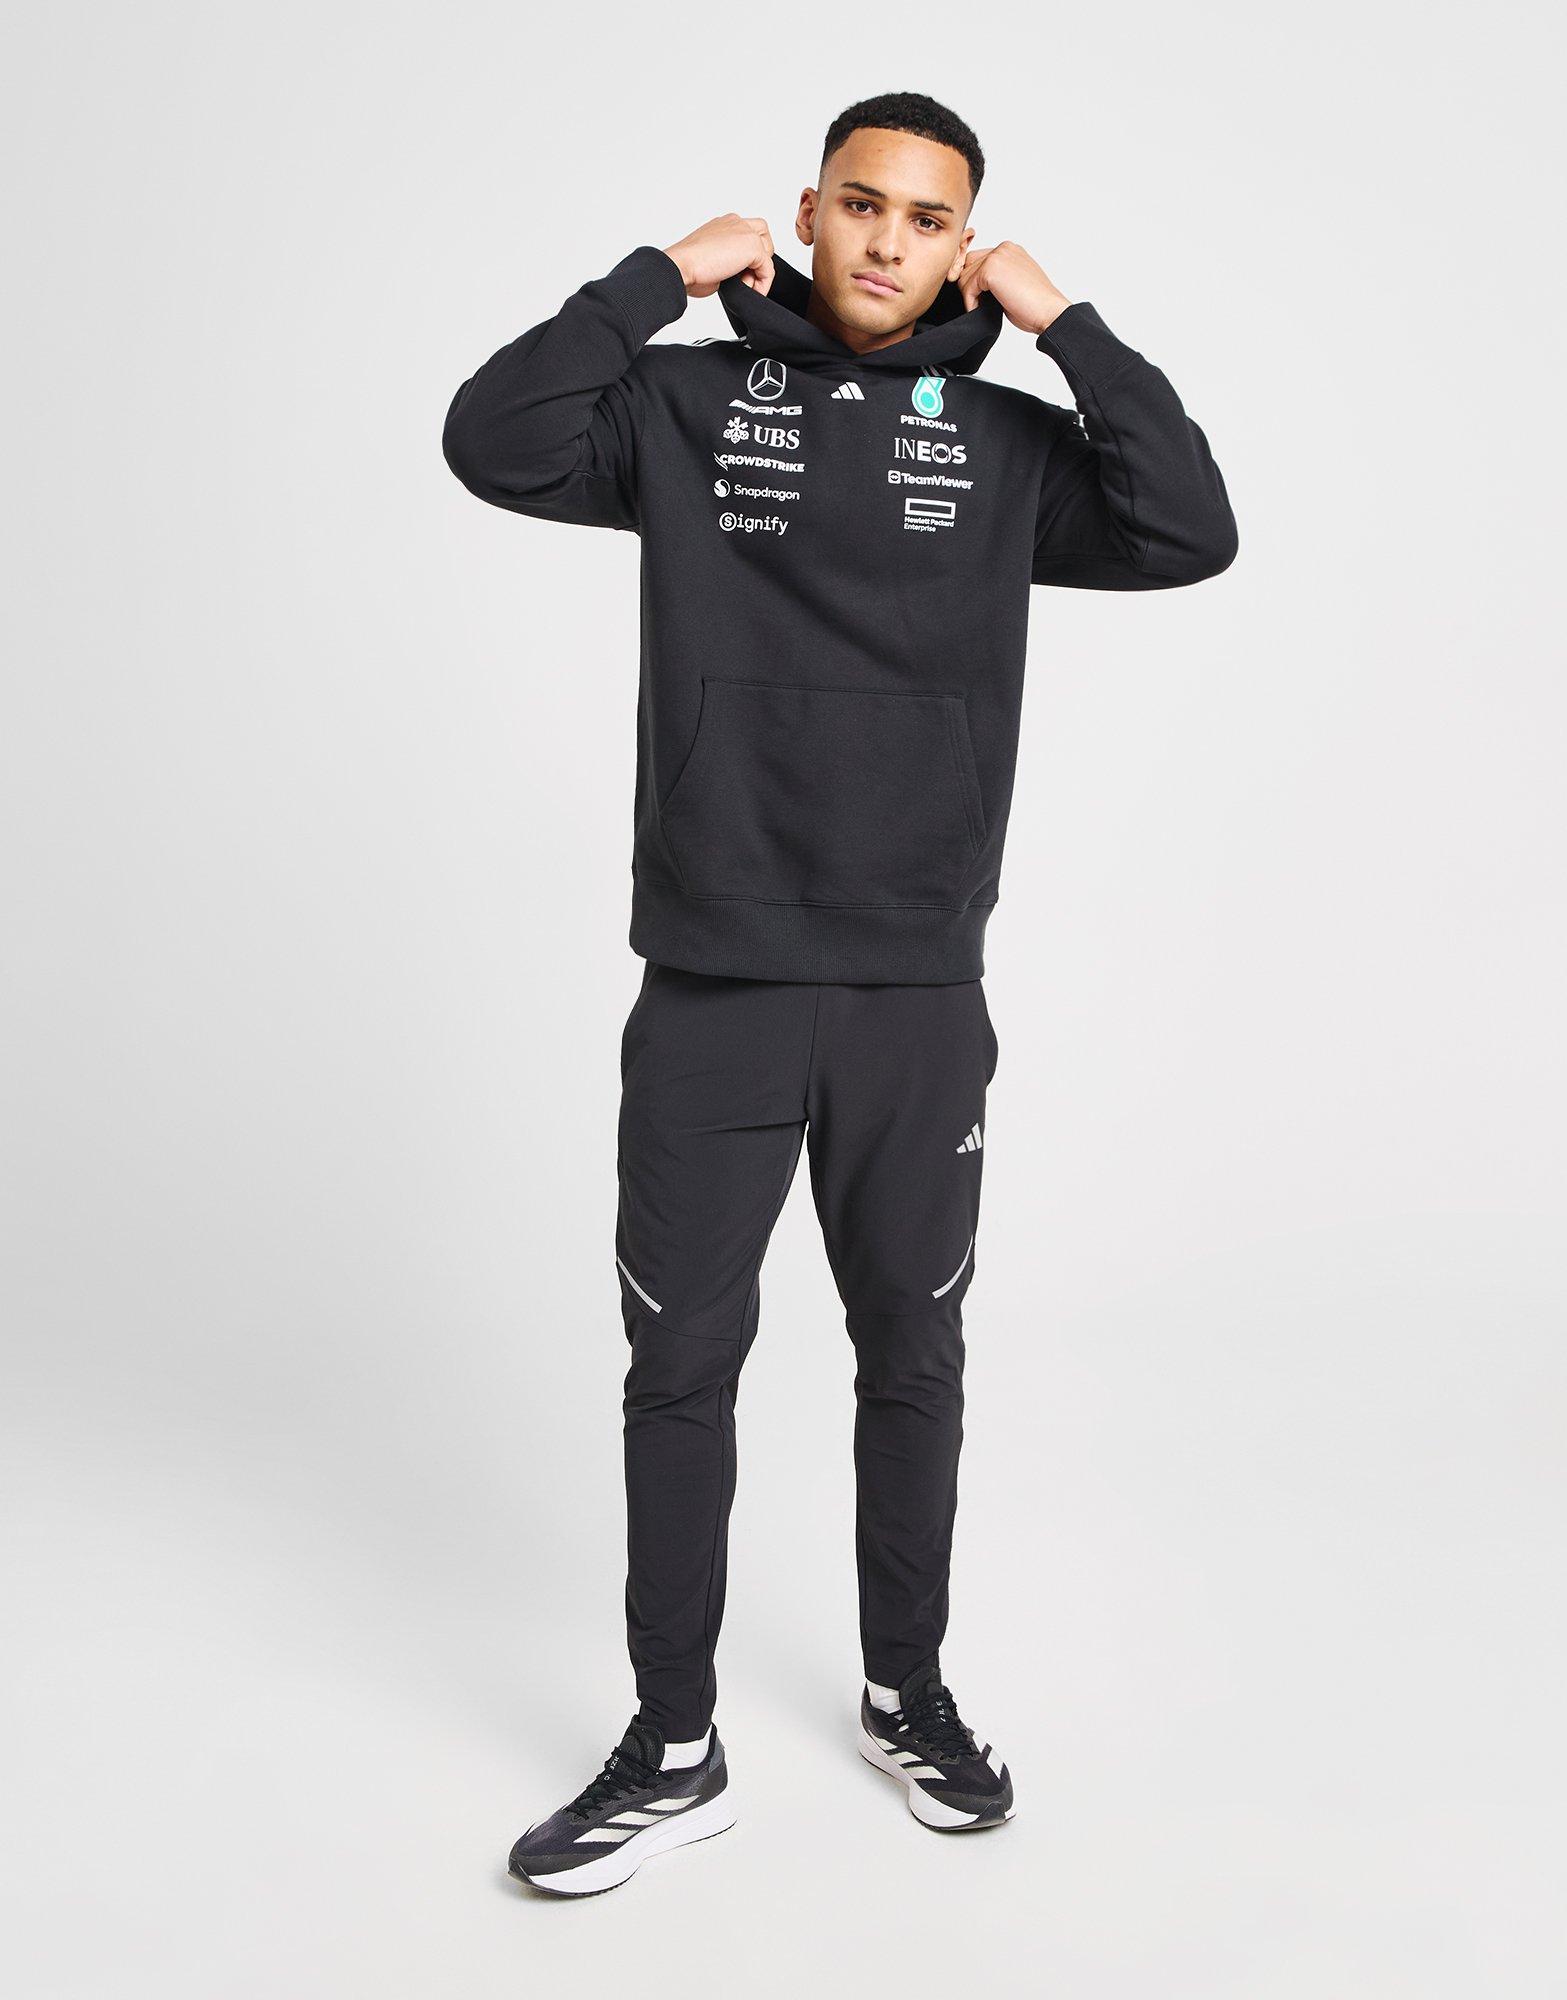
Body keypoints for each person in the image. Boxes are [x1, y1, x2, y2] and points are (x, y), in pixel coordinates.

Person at [442, 89, 1237, 1896]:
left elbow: (1192, 526)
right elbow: (490, 437)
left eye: (929, 220)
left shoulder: (1014, 447)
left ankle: (908, 1691)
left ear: (964, 247)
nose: (889, 242)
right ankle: (673, 1741)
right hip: (714, 979)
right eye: (863, 205)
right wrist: (655, 278)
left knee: (914, 1356)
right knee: (680, 1366)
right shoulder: (682, 408)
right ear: (808, 213)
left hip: (912, 990)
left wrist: (1067, 324)